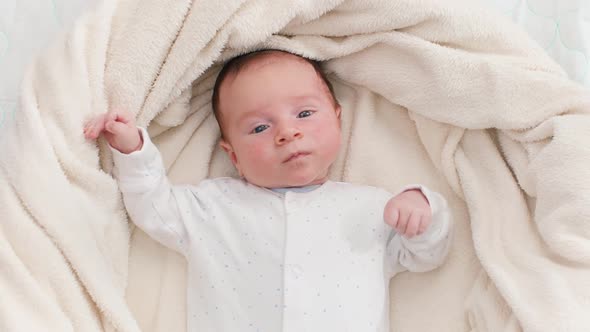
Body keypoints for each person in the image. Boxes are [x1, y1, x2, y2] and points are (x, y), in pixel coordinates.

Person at [84, 50, 452, 331]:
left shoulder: (371, 206)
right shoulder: (213, 206)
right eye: (259, 128)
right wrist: (133, 150)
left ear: (338, 118)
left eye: (305, 114)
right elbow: (153, 208)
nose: (287, 133)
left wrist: (424, 212)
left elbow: (423, 257)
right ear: (233, 155)